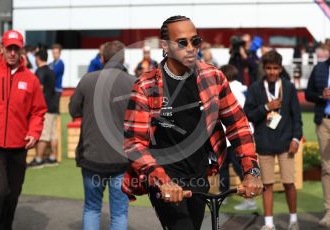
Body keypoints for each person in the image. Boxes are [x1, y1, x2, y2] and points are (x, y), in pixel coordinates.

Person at [121, 15, 263, 230]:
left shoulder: (213, 77)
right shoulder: (146, 85)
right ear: (165, 46)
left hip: (200, 175)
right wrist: (162, 181)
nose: (191, 47)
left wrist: (251, 172)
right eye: (182, 42)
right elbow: (134, 144)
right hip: (164, 176)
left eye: (195, 41)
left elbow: (237, 125)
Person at [69, 40, 135, 230]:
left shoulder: (88, 80)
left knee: (91, 208)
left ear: (102, 57)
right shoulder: (133, 83)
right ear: (123, 59)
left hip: (92, 156)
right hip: (122, 159)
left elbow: (74, 110)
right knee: (119, 213)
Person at [0, 30, 46, 230]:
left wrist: (34, 132)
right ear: (1, 49)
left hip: (19, 146)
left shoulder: (31, 80)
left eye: (16, 48)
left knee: (12, 196)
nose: (12, 52)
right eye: (9, 48)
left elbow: (38, 111)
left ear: (21, 50)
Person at [244, 50, 302, 230]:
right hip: (264, 143)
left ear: (280, 68)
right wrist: (266, 107)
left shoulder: (289, 87)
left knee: (288, 183)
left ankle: (293, 220)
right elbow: (249, 114)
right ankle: (269, 224)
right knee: (266, 184)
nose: (272, 72)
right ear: (263, 68)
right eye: (268, 68)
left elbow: (296, 116)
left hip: (286, 143)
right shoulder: (254, 88)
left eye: (275, 68)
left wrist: (296, 138)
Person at [218, 64, 258, 211]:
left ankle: (247, 199)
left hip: (230, 136)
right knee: (233, 168)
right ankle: (227, 196)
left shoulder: (227, 90)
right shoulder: (244, 90)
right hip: (238, 136)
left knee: (232, 168)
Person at [305, 45, 330, 228]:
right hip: (324, 122)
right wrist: (321, 96)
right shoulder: (319, 68)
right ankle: (329, 212)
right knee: (327, 168)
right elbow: (308, 94)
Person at [28, 48, 59, 168]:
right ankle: (53, 157)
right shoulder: (51, 70)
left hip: (44, 107)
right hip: (53, 105)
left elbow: (39, 89)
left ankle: (39, 159)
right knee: (52, 134)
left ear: (37, 58)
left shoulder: (40, 71)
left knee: (44, 134)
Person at [49, 43, 64, 164]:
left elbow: (52, 75)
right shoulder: (52, 63)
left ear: (59, 53)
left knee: (55, 112)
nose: (54, 54)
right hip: (51, 90)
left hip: (57, 90)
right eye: (53, 52)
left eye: (56, 52)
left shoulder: (60, 63)